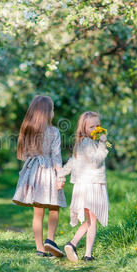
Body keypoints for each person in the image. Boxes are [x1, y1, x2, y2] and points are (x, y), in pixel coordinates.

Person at [12, 95, 66, 257]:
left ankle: (40, 248)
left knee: (38, 212)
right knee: (54, 208)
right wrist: (60, 176)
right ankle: (50, 240)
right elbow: (56, 156)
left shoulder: (27, 129)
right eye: (53, 110)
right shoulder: (54, 131)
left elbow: (23, 155)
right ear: (47, 112)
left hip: (33, 172)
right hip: (49, 171)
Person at [56, 111, 110, 262]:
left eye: (98, 126)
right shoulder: (88, 143)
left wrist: (61, 174)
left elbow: (72, 163)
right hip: (91, 185)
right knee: (92, 220)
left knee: (90, 219)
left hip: (83, 185)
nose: (96, 129)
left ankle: (83, 251)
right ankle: (79, 248)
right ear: (84, 128)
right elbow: (96, 161)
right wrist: (102, 144)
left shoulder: (82, 143)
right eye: (91, 126)